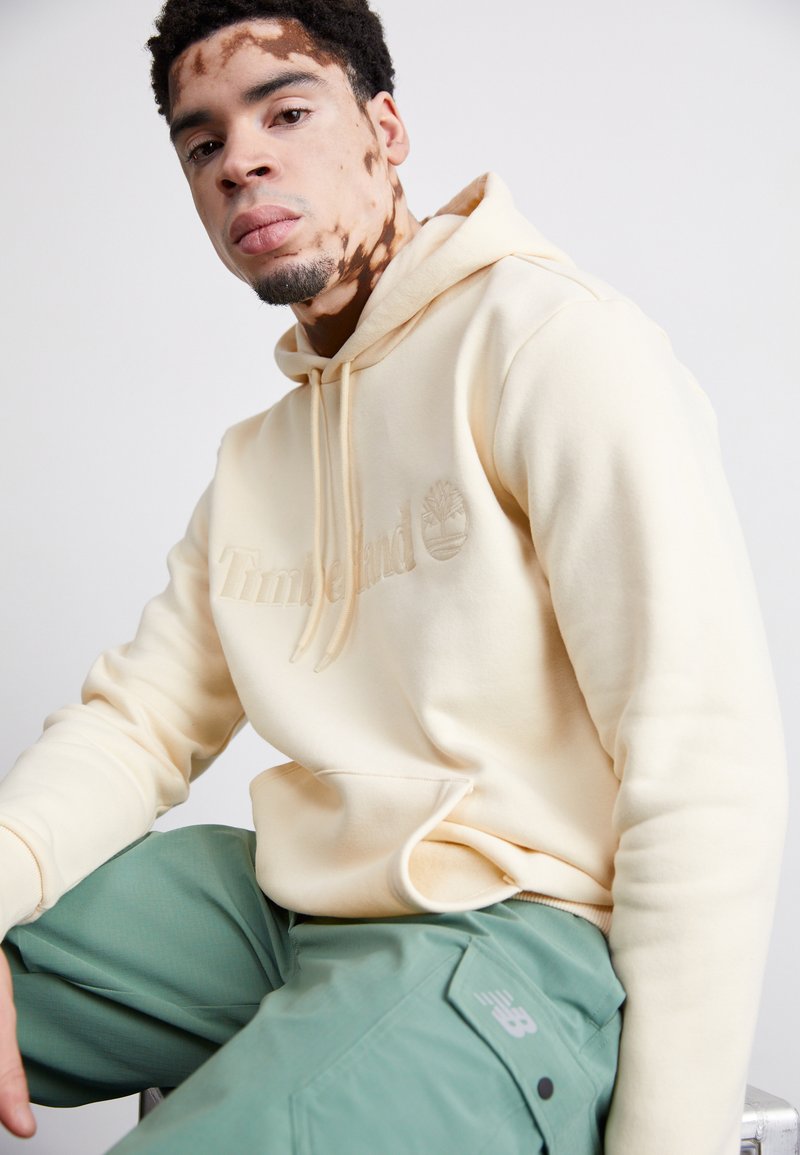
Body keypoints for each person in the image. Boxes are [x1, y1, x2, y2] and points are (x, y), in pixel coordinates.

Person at [0, 0, 787, 1152]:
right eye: (203, 141)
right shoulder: (260, 458)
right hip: (286, 910)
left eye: (284, 111)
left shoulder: (551, 345)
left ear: (385, 129)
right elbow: (137, 725)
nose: (239, 162)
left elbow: (701, 762)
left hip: (506, 937)